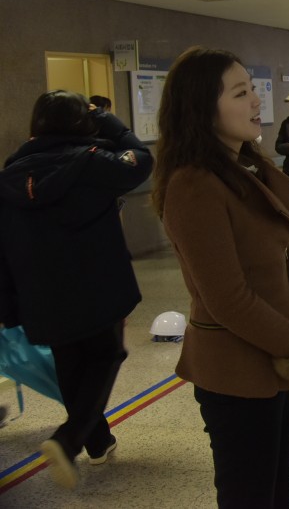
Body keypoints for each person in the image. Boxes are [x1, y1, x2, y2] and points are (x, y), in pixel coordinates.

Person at [152, 47, 289, 508]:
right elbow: (227, 298)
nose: (257, 102)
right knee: (249, 496)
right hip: (234, 370)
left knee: (276, 492)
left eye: (253, 90)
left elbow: (284, 247)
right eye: (242, 93)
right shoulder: (193, 185)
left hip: (273, 362)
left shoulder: (242, 170)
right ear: (202, 109)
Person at [0, 91, 153, 490]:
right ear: (80, 123)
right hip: (96, 289)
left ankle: (98, 443)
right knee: (105, 355)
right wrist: (108, 120)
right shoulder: (91, 163)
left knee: (71, 367)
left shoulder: (10, 175)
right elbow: (142, 159)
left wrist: (10, 304)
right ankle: (67, 440)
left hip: (41, 296)